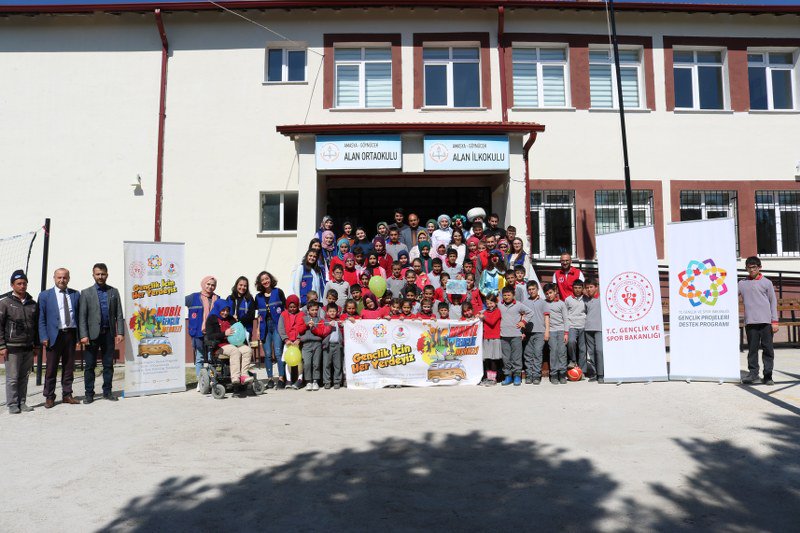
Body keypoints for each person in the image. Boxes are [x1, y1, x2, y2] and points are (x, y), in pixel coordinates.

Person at [78, 263, 125, 403]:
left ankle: (107, 392)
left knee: (108, 365)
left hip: (108, 334)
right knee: (90, 366)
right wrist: (83, 335)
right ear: (93, 275)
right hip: (91, 335)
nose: (100, 276)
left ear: (107, 275)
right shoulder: (86, 293)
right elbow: (82, 316)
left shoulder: (114, 292)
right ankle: (89, 394)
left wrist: (120, 332)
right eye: (97, 274)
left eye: (103, 274)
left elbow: (119, 314)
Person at [38, 268, 81, 408]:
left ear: (68, 278)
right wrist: (43, 336)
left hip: (70, 335)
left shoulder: (75, 294)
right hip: (53, 336)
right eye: (59, 277)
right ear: (54, 278)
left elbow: (79, 317)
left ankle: (67, 394)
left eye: (65, 277)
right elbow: (41, 318)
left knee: (69, 367)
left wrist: (79, 337)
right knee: (51, 368)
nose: (62, 280)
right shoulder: (45, 295)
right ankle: (49, 396)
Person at [0, 270, 39, 414]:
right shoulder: (5, 303)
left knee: (24, 377)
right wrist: (1, 346)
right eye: (19, 283)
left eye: (24, 283)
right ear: (12, 285)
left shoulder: (32, 304)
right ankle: (12, 404)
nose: (22, 286)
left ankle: (22, 402)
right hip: (12, 347)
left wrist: (36, 345)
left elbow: (36, 326)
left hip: (28, 347)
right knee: (12, 378)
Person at [739, 256, 779, 385]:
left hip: (766, 322)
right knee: (752, 350)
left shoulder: (767, 282)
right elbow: (729, 297)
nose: (751, 270)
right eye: (749, 268)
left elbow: (773, 302)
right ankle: (753, 374)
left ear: (759, 267)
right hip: (751, 322)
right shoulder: (741, 283)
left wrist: (774, 321)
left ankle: (768, 376)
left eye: (754, 267)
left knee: (768, 350)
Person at [205, 299, 254, 391]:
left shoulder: (231, 319)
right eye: (223, 310)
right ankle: (235, 377)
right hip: (219, 346)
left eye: (227, 310)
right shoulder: (211, 319)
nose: (225, 313)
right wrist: (224, 333)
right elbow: (210, 336)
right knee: (234, 351)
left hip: (234, 343)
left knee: (247, 350)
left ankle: (244, 375)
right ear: (218, 309)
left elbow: (238, 331)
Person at [255, 270, 286, 389]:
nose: (265, 281)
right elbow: (259, 315)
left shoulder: (278, 292)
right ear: (260, 282)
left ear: (270, 279)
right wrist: (258, 329)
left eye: (267, 278)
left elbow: (285, 310)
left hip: (277, 325)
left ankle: (281, 378)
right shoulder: (258, 297)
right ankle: (270, 379)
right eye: (262, 280)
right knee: (267, 354)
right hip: (265, 326)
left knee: (278, 352)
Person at [498, 286, 534, 386]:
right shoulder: (499, 305)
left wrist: (523, 322)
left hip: (516, 335)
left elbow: (530, 312)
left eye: (509, 295)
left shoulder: (518, 305)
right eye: (504, 295)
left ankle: (517, 376)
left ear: (513, 295)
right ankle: (508, 376)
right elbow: (490, 309)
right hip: (503, 335)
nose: (506, 297)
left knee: (516, 357)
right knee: (506, 358)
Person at [186, 276, 220, 385]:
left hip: (211, 333)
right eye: (208, 284)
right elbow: (178, 302)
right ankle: (200, 382)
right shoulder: (193, 297)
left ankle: (211, 380)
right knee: (199, 358)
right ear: (203, 284)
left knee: (211, 358)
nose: (210, 287)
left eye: (213, 285)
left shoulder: (217, 298)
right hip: (198, 332)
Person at [521, 281, 548, 385]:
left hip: (540, 332)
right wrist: (522, 331)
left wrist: (547, 331)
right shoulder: (525, 302)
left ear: (537, 289)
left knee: (537, 353)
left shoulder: (543, 302)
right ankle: (529, 375)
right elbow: (522, 317)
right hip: (528, 332)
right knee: (528, 354)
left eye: (533, 289)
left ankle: (536, 375)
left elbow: (546, 317)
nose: (531, 291)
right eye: (529, 289)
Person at [299, 301, 330, 391]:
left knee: (316, 363)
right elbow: (299, 330)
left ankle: (315, 381)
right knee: (307, 363)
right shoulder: (304, 319)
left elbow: (321, 332)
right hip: (306, 344)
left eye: (316, 310)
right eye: (312, 310)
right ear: (308, 310)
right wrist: (306, 325)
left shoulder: (320, 320)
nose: (314, 311)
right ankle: (308, 381)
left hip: (317, 344)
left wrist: (313, 328)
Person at [278, 294, 307, 389]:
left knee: (299, 360)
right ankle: (288, 380)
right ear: (287, 306)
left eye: (294, 307)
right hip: (288, 342)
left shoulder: (302, 314)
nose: (292, 309)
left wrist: (299, 338)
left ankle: (300, 379)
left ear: (298, 306)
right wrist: (286, 339)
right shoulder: (283, 315)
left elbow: (304, 327)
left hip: (297, 342)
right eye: (290, 307)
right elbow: (281, 328)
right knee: (288, 361)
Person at [543, 282, 569, 384]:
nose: (549, 295)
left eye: (550, 293)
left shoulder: (561, 303)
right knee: (553, 352)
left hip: (561, 330)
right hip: (551, 331)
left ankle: (562, 374)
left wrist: (566, 333)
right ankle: (553, 374)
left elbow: (566, 319)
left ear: (555, 292)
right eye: (547, 294)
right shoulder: (544, 304)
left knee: (562, 352)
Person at [583, 278, 604, 383]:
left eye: (591, 287)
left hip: (599, 328)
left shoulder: (602, 298)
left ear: (596, 287)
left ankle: (601, 374)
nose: (589, 289)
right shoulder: (585, 300)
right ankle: (595, 373)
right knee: (591, 352)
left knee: (599, 350)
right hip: (588, 328)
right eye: (587, 287)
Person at [565, 279, 587, 374]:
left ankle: (582, 371)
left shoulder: (586, 299)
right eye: (575, 288)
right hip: (572, 325)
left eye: (579, 288)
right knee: (571, 341)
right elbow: (565, 314)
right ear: (572, 288)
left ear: (582, 288)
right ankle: (573, 360)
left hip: (583, 326)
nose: (577, 290)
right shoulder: (568, 299)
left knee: (583, 349)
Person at [479, 294, 501, 385]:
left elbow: (492, 322)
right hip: (486, 338)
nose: (489, 305)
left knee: (493, 359)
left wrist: (483, 317)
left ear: (495, 302)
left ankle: (493, 379)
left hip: (495, 338)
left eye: (491, 303)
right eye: (487, 303)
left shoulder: (498, 311)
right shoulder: (484, 312)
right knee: (487, 359)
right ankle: (488, 377)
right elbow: (479, 315)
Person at [322, 302, 344, 389]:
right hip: (328, 345)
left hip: (337, 345)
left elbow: (343, 330)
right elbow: (323, 333)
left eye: (334, 311)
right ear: (327, 312)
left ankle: (337, 381)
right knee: (326, 364)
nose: (332, 313)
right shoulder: (324, 321)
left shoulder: (339, 321)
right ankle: (327, 381)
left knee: (337, 364)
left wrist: (342, 325)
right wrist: (329, 326)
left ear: (337, 312)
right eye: (330, 311)